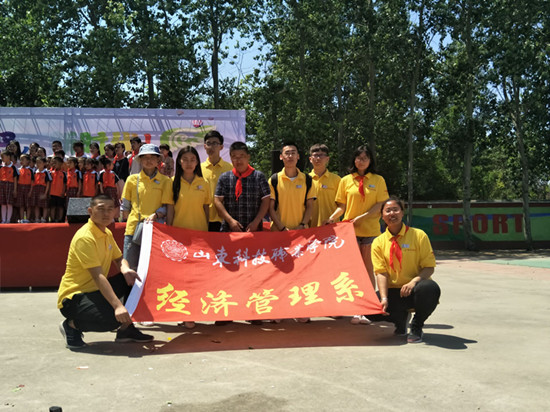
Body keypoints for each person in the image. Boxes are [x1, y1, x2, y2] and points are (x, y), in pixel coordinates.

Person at [57, 194, 153, 349]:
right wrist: (118, 306)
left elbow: (119, 259)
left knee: (135, 279)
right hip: (75, 298)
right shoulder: (85, 237)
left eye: (110, 209)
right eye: (101, 209)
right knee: (112, 318)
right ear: (90, 211)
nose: (106, 213)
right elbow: (98, 276)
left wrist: (126, 270)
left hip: (96, 292)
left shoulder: (106, 233)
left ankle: (126, 330)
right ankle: (71, 325)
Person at [327, 145, 388, 325]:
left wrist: (363, 217)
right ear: (354, 160)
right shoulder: (346, 180)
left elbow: (381, 204)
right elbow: (341, 206)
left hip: (371, 231)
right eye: (358, 157)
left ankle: (367, 309)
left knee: (368, 270)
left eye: (365, 158)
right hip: (349, 232)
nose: (361, 161)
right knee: (352, 271)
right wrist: (331, 218)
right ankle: (355, 309)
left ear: (370, 161)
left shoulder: (378, 180)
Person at [371, 197, 441, 343]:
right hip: (394, 291)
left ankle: (417, 325)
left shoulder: (419, 235)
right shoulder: (378, 242)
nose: (392, 213)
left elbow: (429, 267)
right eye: (388, 211)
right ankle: (400, 320)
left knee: (430, 288)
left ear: (402, 213)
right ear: (382, 216)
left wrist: (413, 282)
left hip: (416, 289)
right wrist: (384, 298)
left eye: (395, 210)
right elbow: (381, 273)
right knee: (370, 307)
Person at [121, 144, 173, 270]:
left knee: (153, 270)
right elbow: (125, 207)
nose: (148, 161)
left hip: (155, 231)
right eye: (145, 157)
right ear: (140, 160)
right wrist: (131, 219)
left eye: (152, 157)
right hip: (133, 230)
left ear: (158, 160)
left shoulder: (166, 181)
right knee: (130, 268)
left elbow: (167, 206)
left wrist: (157, 214)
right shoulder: (131, 179)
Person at [214, 141, 270, 233]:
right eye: (234, 157)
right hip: (229, 231)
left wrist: (256, 222)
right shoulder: (224, 178)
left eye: (242, 156)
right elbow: (217, 201)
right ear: (231, 158)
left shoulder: (259, 177)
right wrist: (230, 221)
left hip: (254, 231)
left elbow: (266, 201)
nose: (238, 160)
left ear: (248, 157)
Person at [269, 142, 317, 232]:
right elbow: (270, 208)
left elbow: (310, 206)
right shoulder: (274, 180)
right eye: (287, 153)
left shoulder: (308, 180)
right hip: (278, 231)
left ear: (298, 156)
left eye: (293, 153)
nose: (290, 156)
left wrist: (302, 225)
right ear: (281, 157)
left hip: (302, 232)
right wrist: (282, 228)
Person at [200, 131, 232, 232]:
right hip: (203, 218)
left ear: (221, 147)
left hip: (223, 218)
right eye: (208, 143)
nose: (211, 147)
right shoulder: (198, 168)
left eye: (215, 143)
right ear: (204, 146)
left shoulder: (230, 168)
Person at [308, 144, 341, 228]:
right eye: (315, 155)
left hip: (332, 227)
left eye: (321, 155)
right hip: (309, 228)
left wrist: (331, 219)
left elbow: (341, 206)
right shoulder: (305, 179)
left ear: (327, 159)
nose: (318, 158)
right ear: (310, 159)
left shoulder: (337, 180)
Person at [30, 156, 51, 222]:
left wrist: (45, 193)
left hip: (43, 189)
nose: (38, 164)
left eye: (40, 162)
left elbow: (48, 183)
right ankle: (37, 218)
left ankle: (44, 218)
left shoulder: (46, 172)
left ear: (44, 163)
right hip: (36, 189)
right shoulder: (35, 172)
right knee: (36, 205)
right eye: (37, 162)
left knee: (44, 205)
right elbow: (33, 182)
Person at [0, 150, 19, 223]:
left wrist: (15, 189)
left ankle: (8, 220)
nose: (2, 158)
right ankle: (3, 220)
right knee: (3, 203)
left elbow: (15, 179)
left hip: (10, 186)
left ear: (8, 157)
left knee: (9, 203)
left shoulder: (13, 167)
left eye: (3, 157)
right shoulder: (1, 167)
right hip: (2, 185)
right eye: (1, 157)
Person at [15, 154, 33, 223]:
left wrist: (30, 191)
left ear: (28, 161)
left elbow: (32, 181)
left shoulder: (31, 170)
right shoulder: (18, 170)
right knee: (21, 204)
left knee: (28, 205)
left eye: (23, 159)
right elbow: (16, 180)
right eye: (20, 159)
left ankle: (27, 219)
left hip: (28, 188)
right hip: (20, 187)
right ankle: (22, 218)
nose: (21, 161)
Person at [49, 156, 67, 223]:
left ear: (61, 164)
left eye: (56, 163)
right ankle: (52, 219)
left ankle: (60, 219)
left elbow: (65, 184)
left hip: (60, 193)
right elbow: (49, 183)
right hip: (52, 193)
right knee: (52, 207)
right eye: (53, 163)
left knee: (60, 207)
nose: (54, 164)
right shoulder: (51, 173)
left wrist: (63, 192)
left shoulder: (63, 173)